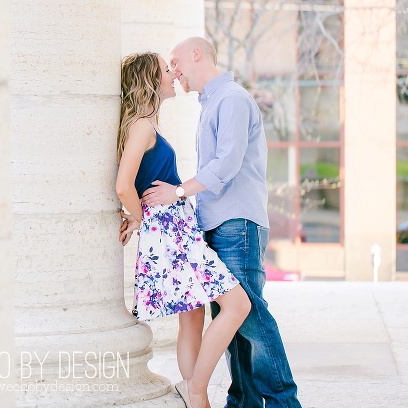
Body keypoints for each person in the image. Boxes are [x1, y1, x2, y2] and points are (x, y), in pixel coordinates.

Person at [138, 37, 302, 408]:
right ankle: (243, 401)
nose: (174, 70)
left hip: (237, 224)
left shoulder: (231, 99)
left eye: (176, 61)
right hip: (219, 224)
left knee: (251, 317)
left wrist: (179, 193)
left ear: (197, 54)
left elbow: (226, 165)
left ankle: (283, 403)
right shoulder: (213, 103)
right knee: (235, 324)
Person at [115, 51, 251, 408]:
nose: (173, 74)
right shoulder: (142, 125)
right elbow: (123, 185)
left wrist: (137, 215)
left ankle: (194, 397)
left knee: (192, 317)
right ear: (149, 80)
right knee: (237, 305)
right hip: (170, 229)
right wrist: (140, 217)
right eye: (165, 70)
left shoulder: (147, 124)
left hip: (176, 225)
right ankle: (196, 389)